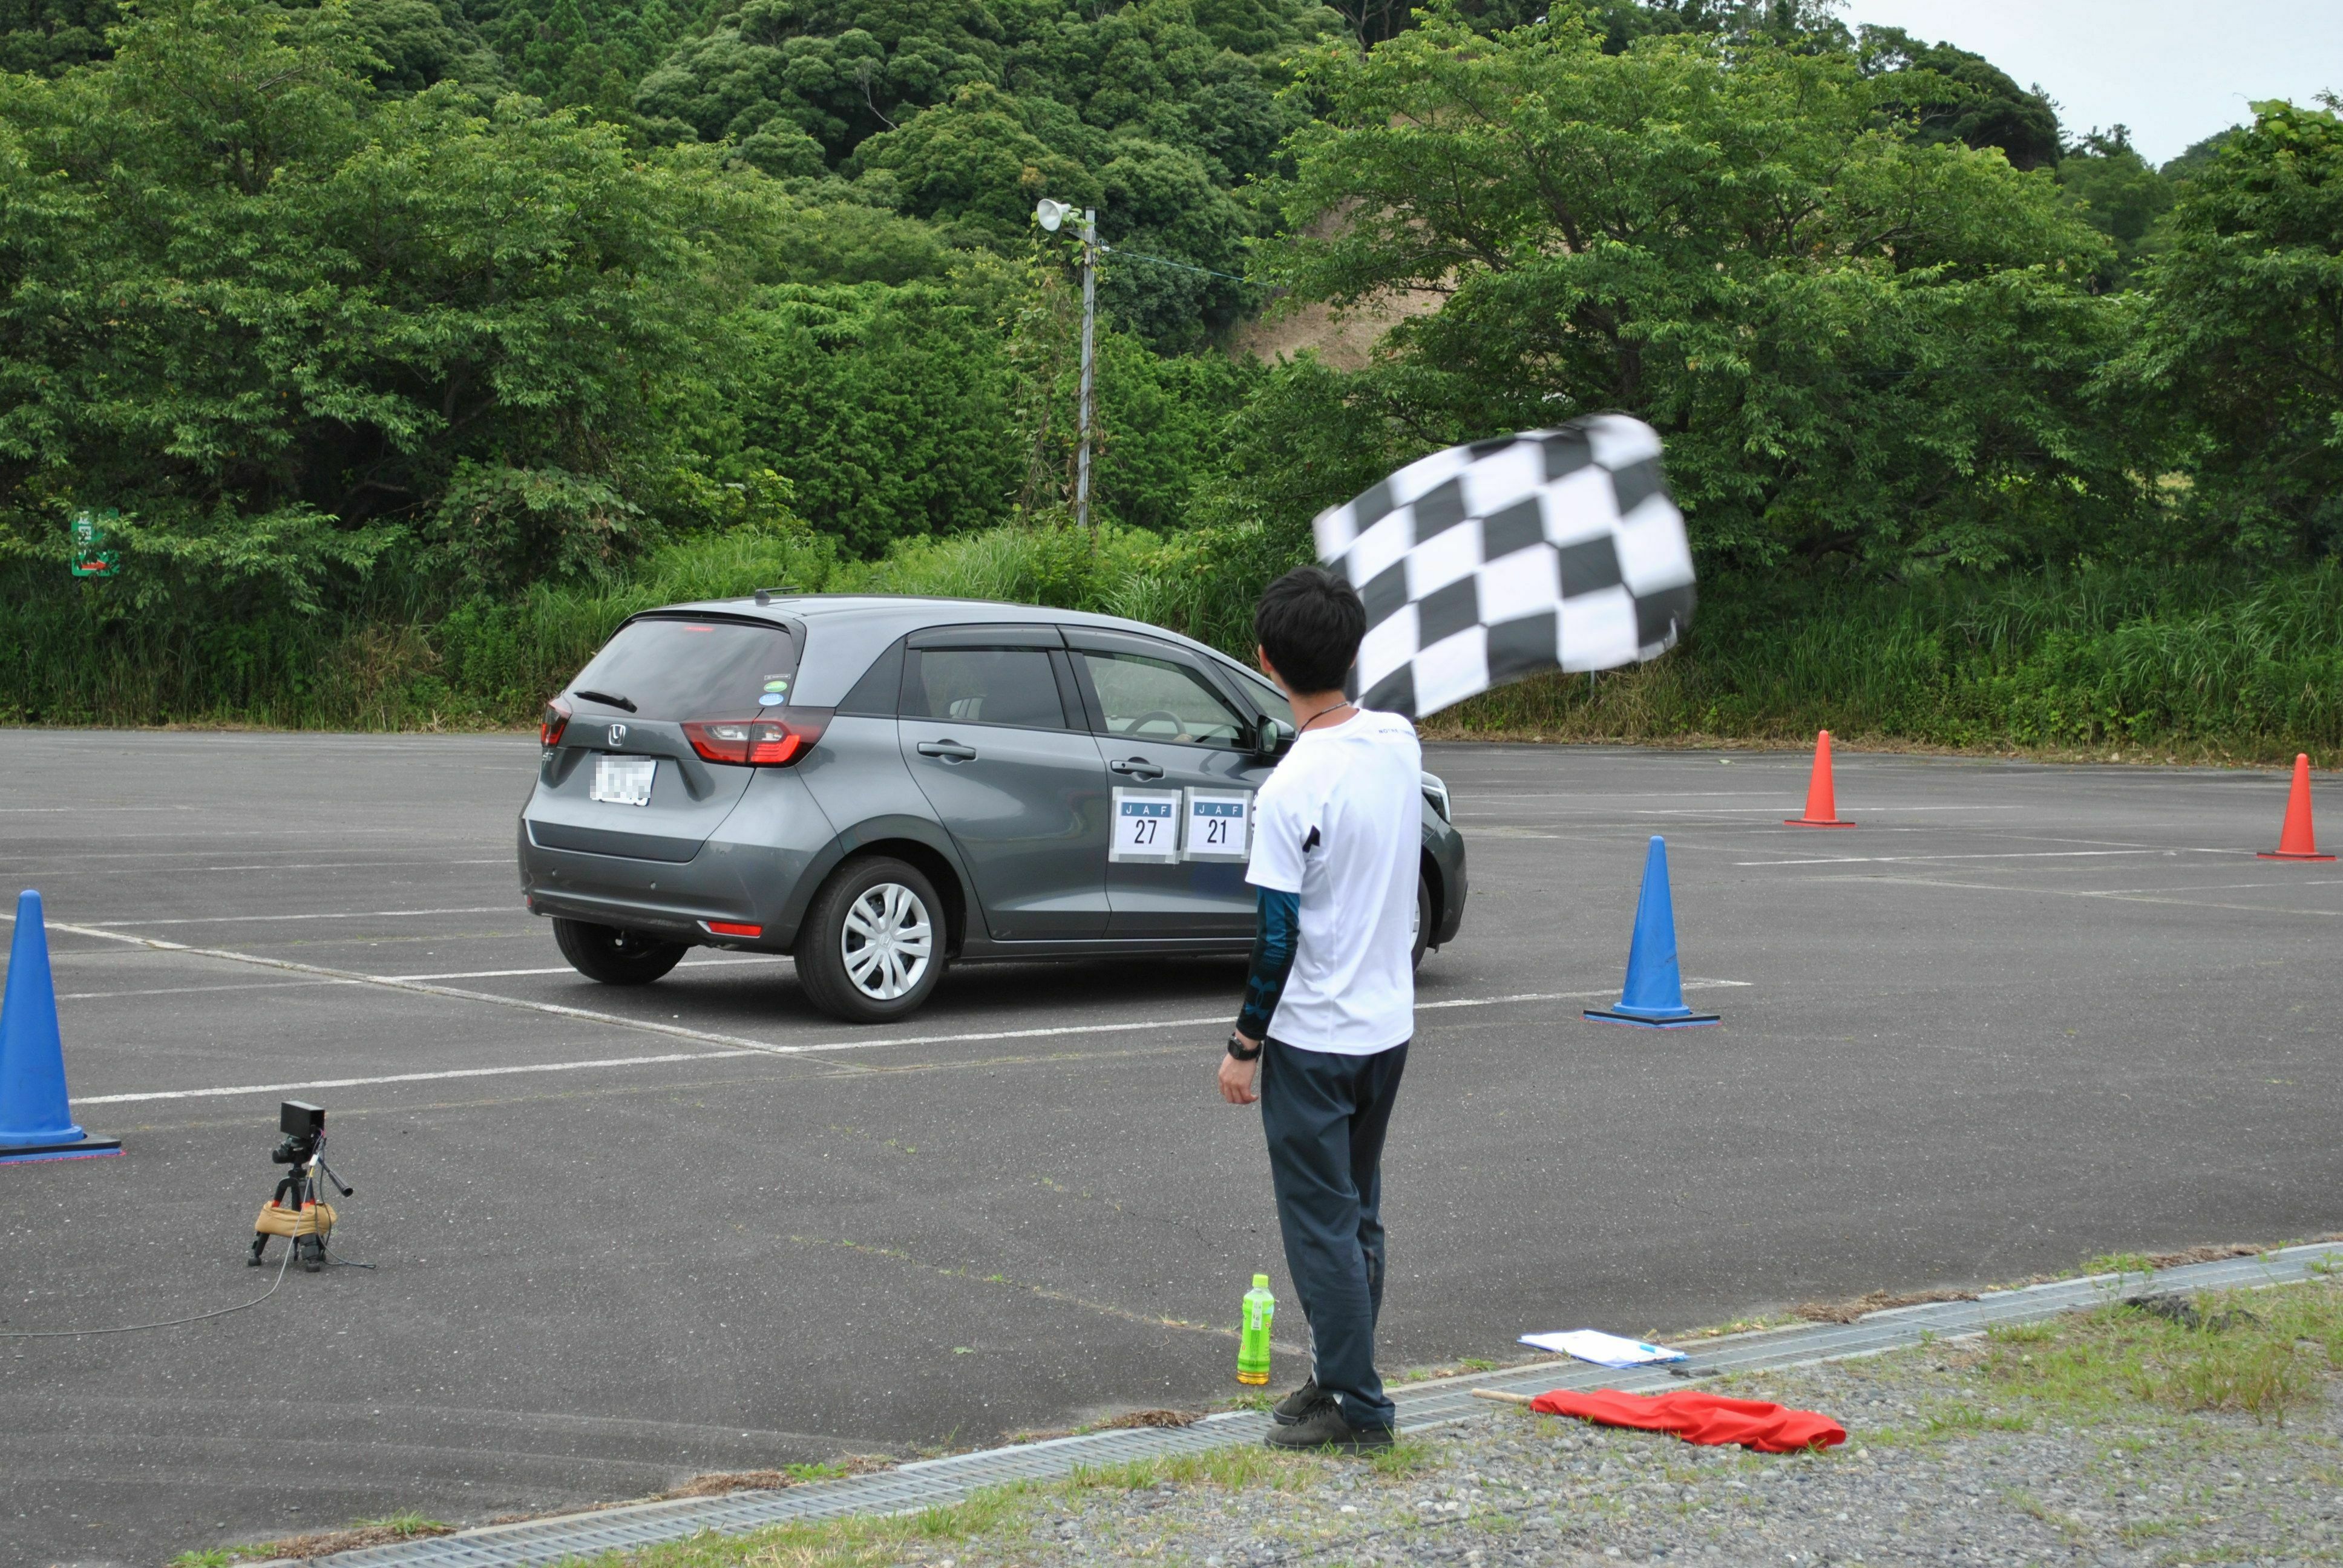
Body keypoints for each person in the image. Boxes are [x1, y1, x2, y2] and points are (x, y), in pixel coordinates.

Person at [1218, 564, 1422, 1452]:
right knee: (1358, 1213)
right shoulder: (1398, 741)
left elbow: (1276, 938)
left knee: (1321, 1227)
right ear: (1354, 649)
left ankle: (1359, 1403)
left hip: (1317, 1037)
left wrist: (1243, 1043)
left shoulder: (1290, 789)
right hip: (1388, 1027)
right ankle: (1339, 1373)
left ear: (1265, 662)